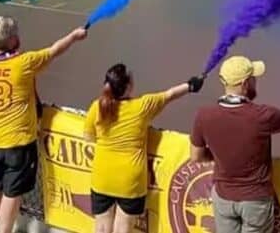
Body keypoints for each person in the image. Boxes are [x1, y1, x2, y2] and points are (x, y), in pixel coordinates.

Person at [190, 56, 280, 233]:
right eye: (253, 78)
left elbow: (196, 156)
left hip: (223, 198)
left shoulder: (203, 115)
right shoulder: (262, 116)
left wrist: (220, 156)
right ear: (245, 83)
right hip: (255, 201)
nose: (255, 82)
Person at [0, 16, 88, 233]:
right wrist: (74, 36)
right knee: (12, 193)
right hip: (19, 143)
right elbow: (54, 51)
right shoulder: (24, 63)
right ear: (13, 39)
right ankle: (4, 230)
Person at [84, 64, 205, 233]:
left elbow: (88, 137)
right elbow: (169, 95)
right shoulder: (143, 106)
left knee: (102, 229)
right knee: (122, 229)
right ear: (127, 87)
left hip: (102, 177)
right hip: (130, 182)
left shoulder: (97, 106)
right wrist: (191, 85)